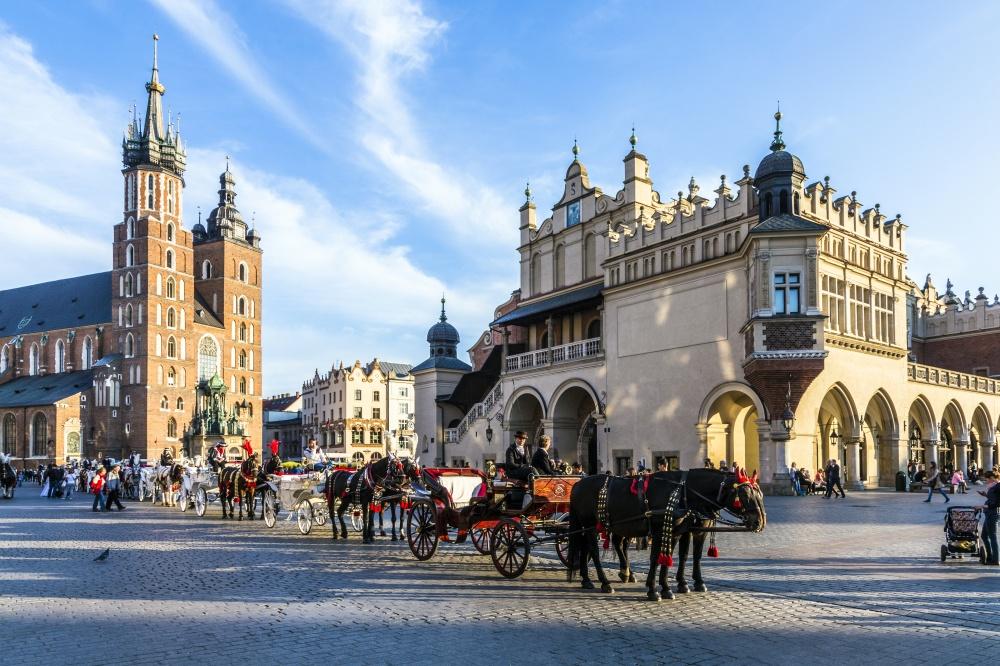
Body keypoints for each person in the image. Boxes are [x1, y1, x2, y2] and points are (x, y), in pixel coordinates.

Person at [977, 470, 999, 565]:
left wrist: (980, 506)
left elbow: (994, 504)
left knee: (992, 536)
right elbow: (993, 499)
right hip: (990, 514)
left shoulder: (996, 487)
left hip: (992, 514)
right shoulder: (994, 487)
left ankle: (995, 559)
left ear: (991, 478)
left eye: (986, 479)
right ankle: (989, 556)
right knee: (984, 536)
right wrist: (985, 495)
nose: (986, 482)